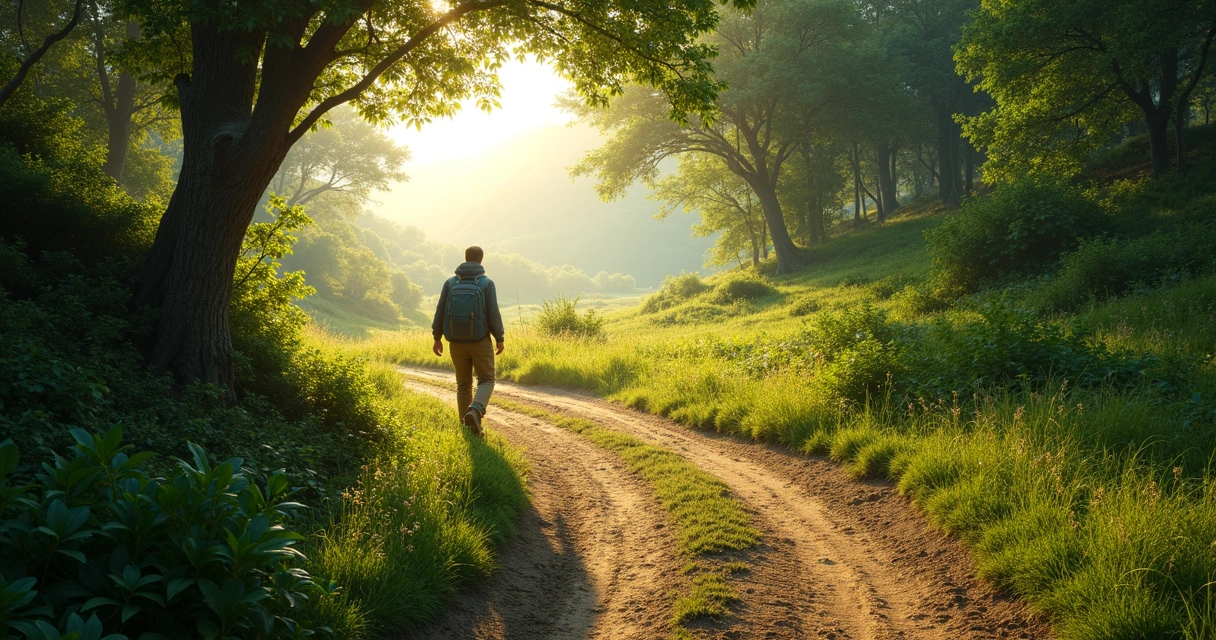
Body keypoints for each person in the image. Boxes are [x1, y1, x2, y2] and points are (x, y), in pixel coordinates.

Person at [431, 245, 505, 436]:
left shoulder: (450, 283)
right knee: (486, 379)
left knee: (463, 384)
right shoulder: (487, 284)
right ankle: (476, 409)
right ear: (481, 260)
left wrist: (437, 338)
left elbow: (440, 311)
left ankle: (467, 426)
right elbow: (493, 313)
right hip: (480, 341)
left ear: (465, 258)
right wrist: (499, 337)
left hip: (455, 341)